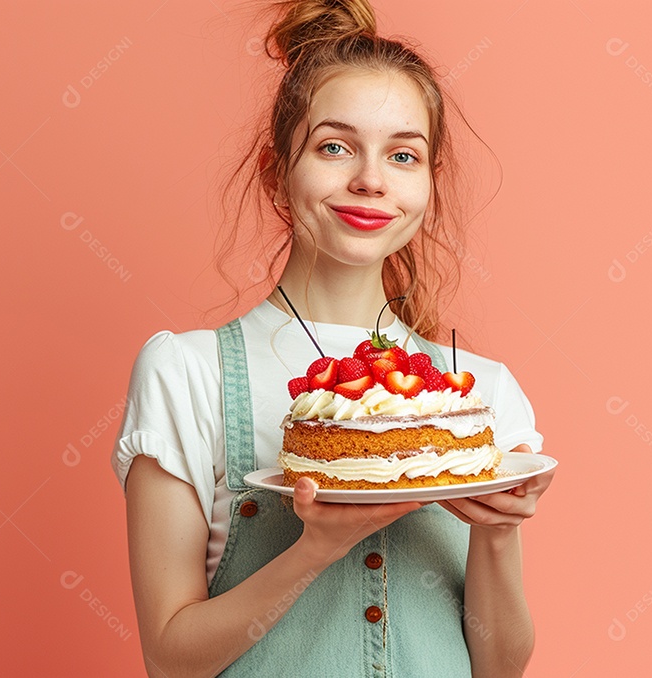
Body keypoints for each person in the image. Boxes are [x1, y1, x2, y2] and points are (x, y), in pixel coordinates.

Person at [110, 1, 555, 675]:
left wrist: (495, 528)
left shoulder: (481, 396)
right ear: (275, 175)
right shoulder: (188, 373)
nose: (370, 180)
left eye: (403, 155)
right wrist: (313, 548)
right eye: (335, 147)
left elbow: (499, 666)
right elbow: (171, 660)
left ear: (428, 186)